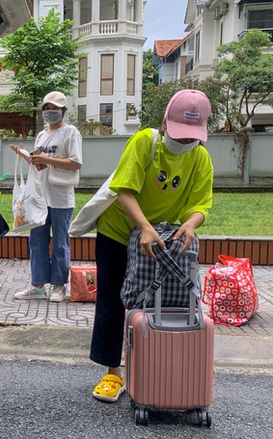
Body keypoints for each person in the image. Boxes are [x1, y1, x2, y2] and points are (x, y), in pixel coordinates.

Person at [89, 89, 214, 403]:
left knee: (160, 301)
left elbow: (201, 203)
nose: (185, 142)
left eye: (191, 137)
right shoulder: (145, 142)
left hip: (162, 240)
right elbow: (123, 189)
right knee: (113, 301)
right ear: (165, 122)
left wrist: (191, 223)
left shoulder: (200, 157)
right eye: (180, 135)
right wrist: (143, 226)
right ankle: (112, 373)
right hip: (119, 232)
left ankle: (152, 366)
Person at [8, 91, 83, 302]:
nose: (50, 113)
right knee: (37, 240)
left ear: (63, 111)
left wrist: (46, 159)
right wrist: (27, 157)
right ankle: (38, 285)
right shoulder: (41, 135)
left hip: (60, 196)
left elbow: (76, 163)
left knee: (60, 242)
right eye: (47, 109)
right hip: (40, 195)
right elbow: (40, 164)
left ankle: (59, 286)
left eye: (54, 109)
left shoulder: (70, 133)